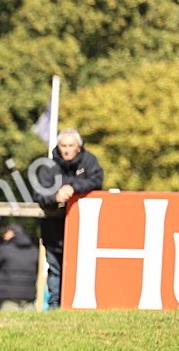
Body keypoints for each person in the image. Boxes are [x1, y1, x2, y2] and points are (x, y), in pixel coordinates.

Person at [31, 129, 104, 309]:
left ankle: (81, 307)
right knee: (55, 270)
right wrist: (55, 197)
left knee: (82, 269)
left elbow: (96, 181)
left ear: (78, 147)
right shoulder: (48, 166)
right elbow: (38, 193)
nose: (67, 150)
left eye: (71, 145)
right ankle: (55, 307)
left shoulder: (90, 162)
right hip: (54, 230)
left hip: (84, 230)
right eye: (63, 146)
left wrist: (73, 188)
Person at [0, 223, 39, 310]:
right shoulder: (34, 250)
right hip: (29, 296)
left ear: (11, 233)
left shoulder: (4, 249)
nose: (4, 236)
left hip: (8, 297)